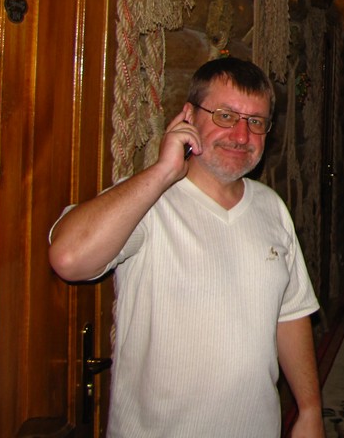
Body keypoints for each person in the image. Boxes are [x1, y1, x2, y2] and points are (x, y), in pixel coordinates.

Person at [49, 57, 325, 438]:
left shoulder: (272, 208)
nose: (241, 135)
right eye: (225, 116)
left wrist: (310, 408)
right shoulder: (148, 203)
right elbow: (68, 259)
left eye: (256, 122)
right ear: (189, 117)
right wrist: (163, 171)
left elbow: (290, 314)